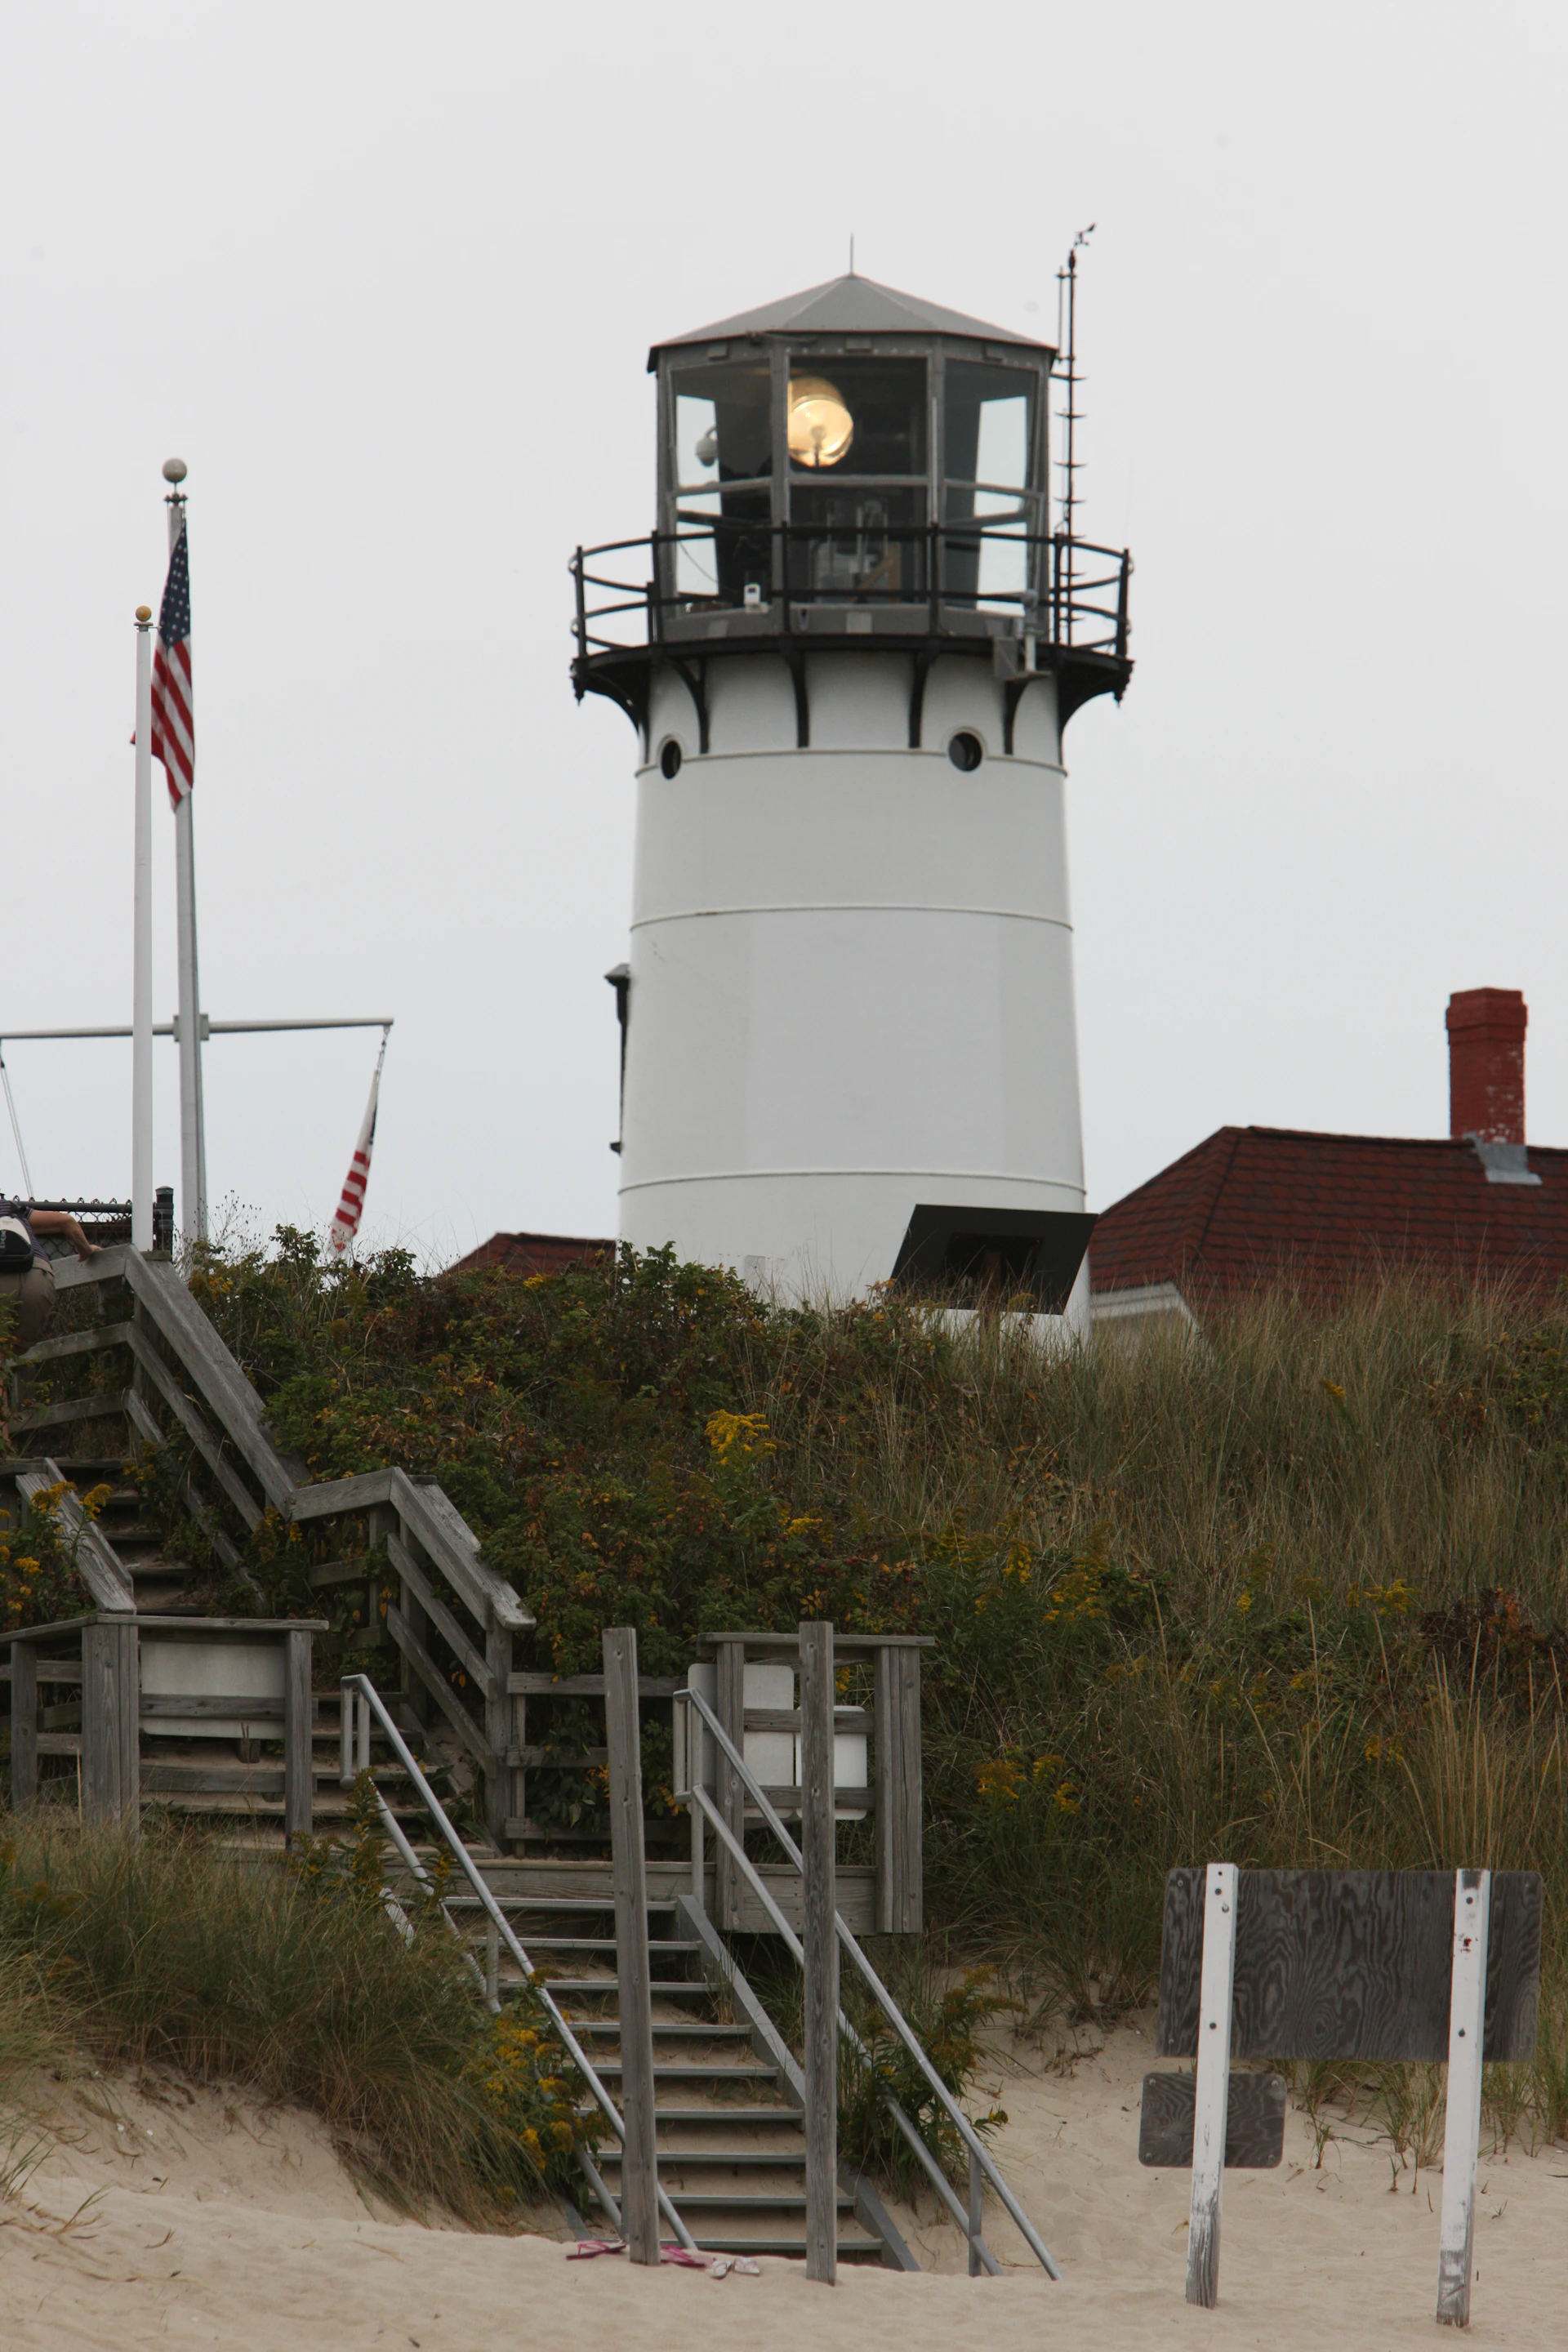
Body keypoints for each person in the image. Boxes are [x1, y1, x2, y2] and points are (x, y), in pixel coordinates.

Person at [0, 1200, 102, 1348]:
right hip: (37, 1277)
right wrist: (86, 1250)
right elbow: (66, 1221)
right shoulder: (11, 1209)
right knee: (16, 1348)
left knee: (4, 1356)